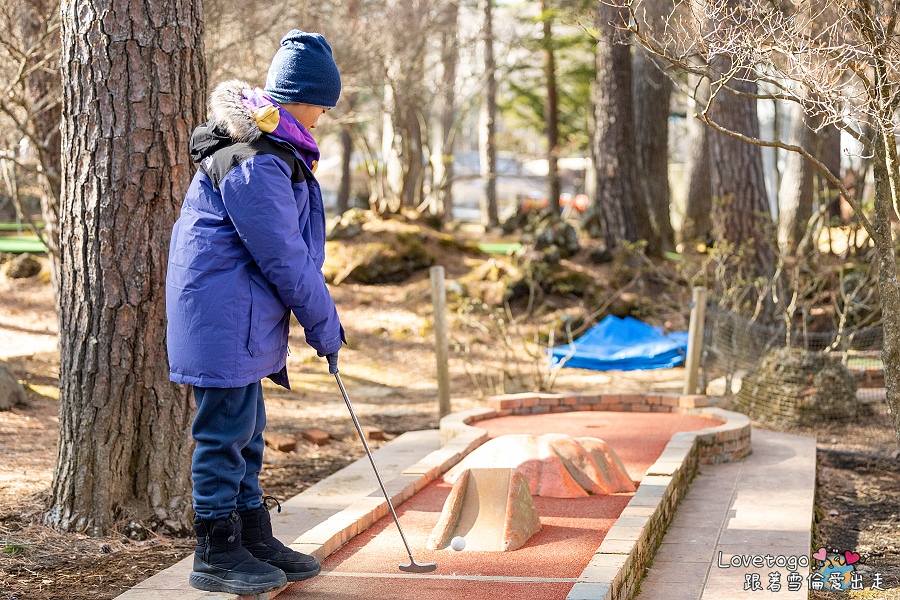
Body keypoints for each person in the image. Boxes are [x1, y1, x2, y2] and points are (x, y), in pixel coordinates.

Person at [166, 30, 345, 595]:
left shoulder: (273, 149)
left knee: (249, 430)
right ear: (301, 97)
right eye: (323, 103)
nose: (324, 116)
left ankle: (251, 534)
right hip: (223, 316)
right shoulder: (255, 160)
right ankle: (216, 552)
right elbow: (285, 255)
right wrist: (325, 325)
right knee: (223, 435)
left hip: (242, 314)